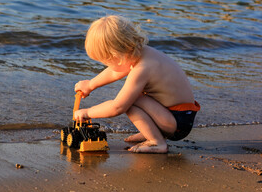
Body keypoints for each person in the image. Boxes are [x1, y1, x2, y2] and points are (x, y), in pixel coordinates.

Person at [74, 15, 200, 153]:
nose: (106, 66)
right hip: (179, 116)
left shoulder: (142, 69)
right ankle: (151, 132)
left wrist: (87, 112)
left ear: (118, 58)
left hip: (177, 123)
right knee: (136, 96)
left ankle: (156, 142)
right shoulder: (143, 53)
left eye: (106, 62)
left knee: (130, 101)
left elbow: (117, 107)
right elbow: (115, 71)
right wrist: (91, 84)